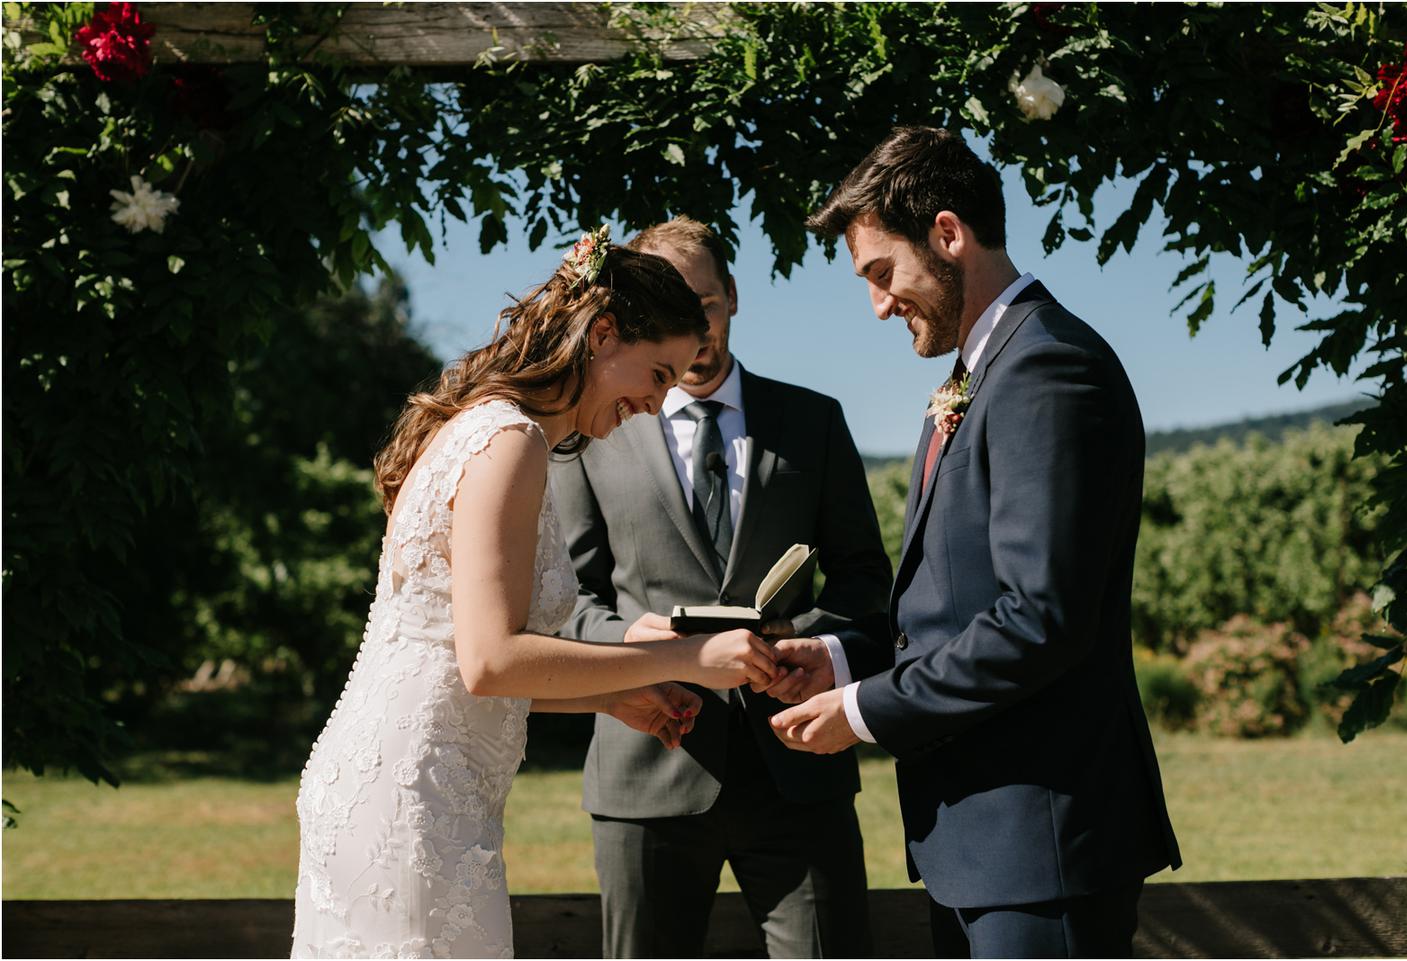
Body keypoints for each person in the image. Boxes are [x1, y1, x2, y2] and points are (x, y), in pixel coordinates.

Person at [291, 230, 782, 959]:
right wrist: (688, 656)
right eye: (657, 374)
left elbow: (453, 667)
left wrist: (608, 696)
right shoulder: (509, 440)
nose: (655, 404)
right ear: (603, 334)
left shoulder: (486, 429)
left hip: (399, 781)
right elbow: (491, 661)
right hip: (412, 801)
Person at [771, 126, 1183, 958]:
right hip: (983, 848)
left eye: (882, 273)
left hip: (1044, 842)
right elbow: (958, 607)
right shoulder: (982, 374)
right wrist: (844, 661)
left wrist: (862, 710)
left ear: (949, 234)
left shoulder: (1046, 369)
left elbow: (1039, 619)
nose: (879, 305)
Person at [551, 217, 894, 959]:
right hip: (647, 762)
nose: (696, 330)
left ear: (733, 295)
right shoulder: (590, 434)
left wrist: (810, 642)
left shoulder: (813, 421)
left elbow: (866, 577)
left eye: (705, 305)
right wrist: (636, 645)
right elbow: (570, 599)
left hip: (799, 759)